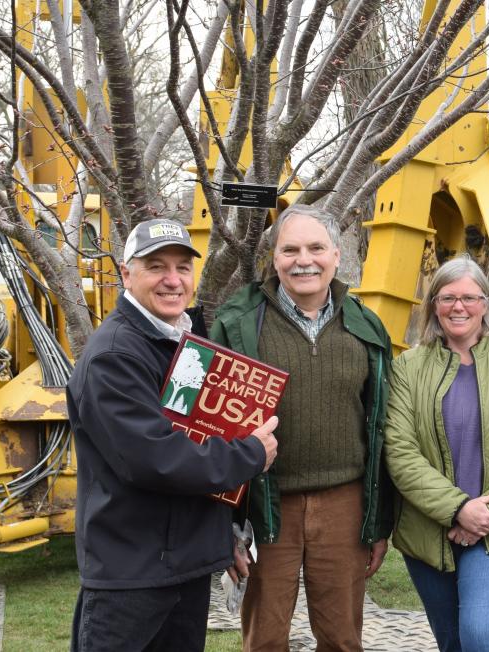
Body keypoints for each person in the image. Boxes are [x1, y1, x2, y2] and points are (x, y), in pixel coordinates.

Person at [67, 219, 278, 651]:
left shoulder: (183, 342)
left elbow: (201, 434)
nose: (172, 279)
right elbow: (157, 459)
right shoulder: (114, 355)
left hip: (183, 567)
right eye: (156, 266)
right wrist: (250, 454)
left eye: (183, 267)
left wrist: (224, 539)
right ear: (127, 274)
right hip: (132, 575)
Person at [209, 205, 394, 651]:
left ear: (335, 255)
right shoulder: (237, 323)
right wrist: (224, 526)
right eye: (290, 249)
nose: (303, 260)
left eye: (315, 248)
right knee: (266, 640)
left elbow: (381, 427)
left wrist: (379, 521)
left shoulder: (366, 327)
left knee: (342, 638)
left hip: (343, 506)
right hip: (265, 506)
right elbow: (211, 430)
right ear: (273, 258)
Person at [384, 257, 489, 652]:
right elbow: (400, 451)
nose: (458, 307)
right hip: (429, 530)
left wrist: (484, 514)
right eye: (447, 298)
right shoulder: (407, 369)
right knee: (453, 643)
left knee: (482, 635)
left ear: (486, 304)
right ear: (433, 305)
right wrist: (458, 508)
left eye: (468, 297)